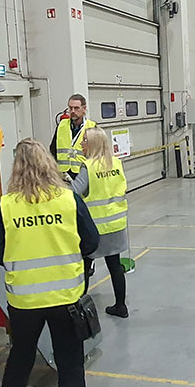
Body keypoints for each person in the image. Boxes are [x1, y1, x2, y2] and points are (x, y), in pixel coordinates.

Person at [0, 138, 99, 387]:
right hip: (66, 298)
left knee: (21, 355)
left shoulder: (6, 206)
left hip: (24, 301)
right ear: (49, 164)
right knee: (71, 366)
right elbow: (91, 241)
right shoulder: (68, 199)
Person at [72, 127, 130, 319]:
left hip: (95, 228)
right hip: (115, 224)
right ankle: (121, 306)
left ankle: (80, 312)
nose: (82, 144)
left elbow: (74, 193)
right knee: (115, 266)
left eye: (85, 141)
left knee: (84, 267)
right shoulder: (116, 163)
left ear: (93, 144)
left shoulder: (88, 167)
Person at [49, 93, 97, 178]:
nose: (73, 111)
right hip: (64, 174)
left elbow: (96, 153)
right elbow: (53, 149)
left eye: (76, 108)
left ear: (84, 109)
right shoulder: (62, 125)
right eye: (70, 108)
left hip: (84, 173)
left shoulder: (91, 127)